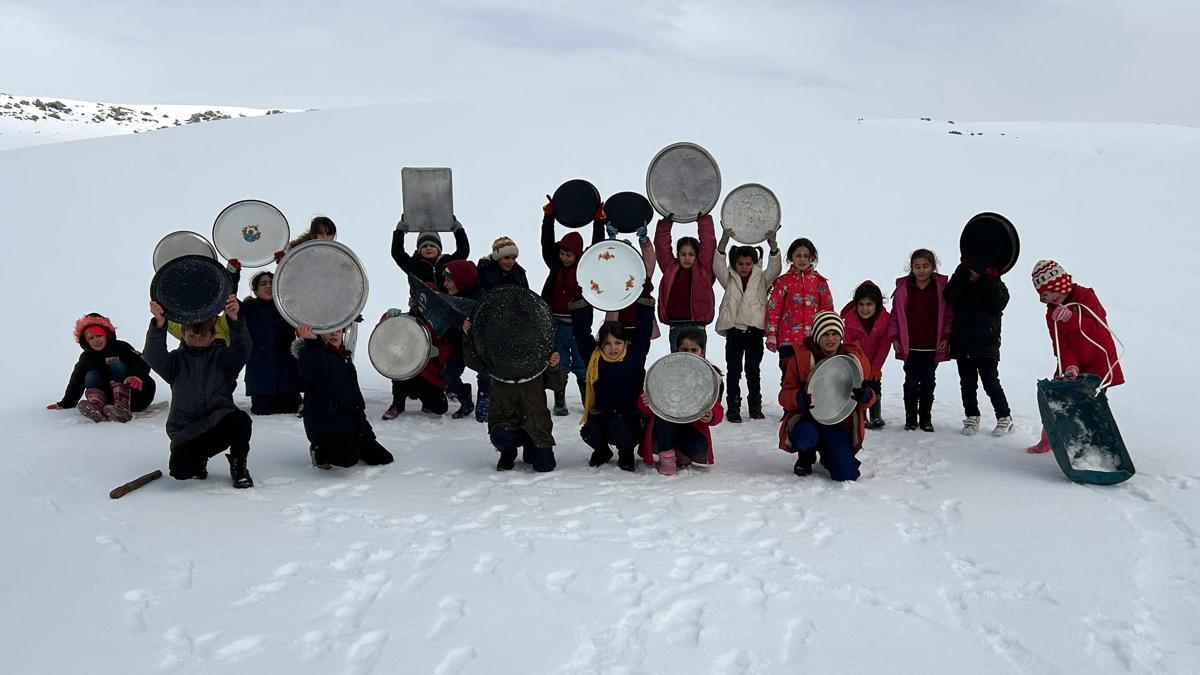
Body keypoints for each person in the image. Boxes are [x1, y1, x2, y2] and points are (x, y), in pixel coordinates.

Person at [143, 296, 254, 488]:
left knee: (241, 421)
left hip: (218, 421)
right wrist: (159, 323)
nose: (197, 339)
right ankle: (199, 459)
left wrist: (234, 319)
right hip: (186, 430)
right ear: (184, 334)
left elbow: (243, 349)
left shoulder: (225, 359)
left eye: (202, 335)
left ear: (213, 335)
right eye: (192, 335)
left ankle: (239, 466)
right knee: (180, 472)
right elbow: (154, 356)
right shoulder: (175, 362)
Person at [1026, 260, 1124, 453]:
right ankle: (1049, 440)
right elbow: (1061, 345)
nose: (1043, 300)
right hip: (1074, 364)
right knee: (1055, 400)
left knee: (1092, 405)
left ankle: (1098, 447)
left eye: (1045, 294)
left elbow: (1099, 332)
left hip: (1098, 362)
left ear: (1057, 286)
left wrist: (1071, 318)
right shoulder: (1052, 313)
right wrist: (1070, 366)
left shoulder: (1086, 298)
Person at [778, 311, 876, 481]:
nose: (830, 339)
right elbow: (784, 395)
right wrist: (799, 398)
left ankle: (828, 452)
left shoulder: (853, 360)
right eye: (825, 334)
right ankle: (806, 455)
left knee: (847, 475)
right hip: (807, 419)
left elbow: (870, 395)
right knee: (807, 435)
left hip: (836, 422)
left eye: (835, 334)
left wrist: (865, 396)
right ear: (816, 336)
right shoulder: (800, 359)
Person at [464, 317, 566, 471]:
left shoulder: (539, 355)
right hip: (506, 421)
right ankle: (508, 451)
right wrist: (468, 334)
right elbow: (472, 360)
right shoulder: (495, 358)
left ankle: (530, 447)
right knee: (501, 435)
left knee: (545, 466)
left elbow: (558, 384)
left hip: (535, 423)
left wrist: (554, 367)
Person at [294, 323, 394, 469]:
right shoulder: (310, 354)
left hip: (350, 425)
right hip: (326, 427)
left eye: (338, 330)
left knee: (383, 458)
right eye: (329, 330)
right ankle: (319, 451)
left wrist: (365, 432)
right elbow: (316, 372)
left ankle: (350, 444)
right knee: (348, 459)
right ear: (319, 333)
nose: (334, 334)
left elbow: (355, 399)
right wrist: (312, 342)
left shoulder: (345, 358)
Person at [573, 297, 655, 471]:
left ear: (626, 343)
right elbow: (581, 334)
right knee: (589, 432)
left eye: (618, 342)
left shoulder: (635, 357)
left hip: (629, 417)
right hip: (602, 414)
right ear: (600, 345)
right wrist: (581, 304)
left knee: (622, 429)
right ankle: (603, 451)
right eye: (607, 344)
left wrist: (644, 301)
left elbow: (644, 330)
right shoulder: (594, 358)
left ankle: (626, 453)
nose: (613, 348)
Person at [541, 195, 605, 416]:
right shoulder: (555, 267)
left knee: (581, 364)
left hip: (579, 326)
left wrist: (599, 221)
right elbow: (546, 242)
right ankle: (559, 400)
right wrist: (548, 217)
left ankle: (587, 399)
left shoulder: (585, 270)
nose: (564, 257)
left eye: (568, 254)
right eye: (562, 253)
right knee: (559, 363)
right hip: (556, 324)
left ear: (577, 255)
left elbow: (597, 247)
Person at [714, 225, 782, 422]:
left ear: (754, 263)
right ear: (734, 264)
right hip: (735, 331)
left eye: (747, 263)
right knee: (734, 370)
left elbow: (775, 269)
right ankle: (733, 407)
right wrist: (724, 240)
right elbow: (717, 265)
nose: (744, 267)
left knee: (753, 370)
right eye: (740, 263)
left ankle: (755, 406)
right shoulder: (729, 278)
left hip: (753, 333)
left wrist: (773, 245)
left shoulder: (762, 279)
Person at [638, 327, 724, 475]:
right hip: (664, 427)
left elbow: (717, 408)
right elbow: (647, 404)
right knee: (664, 417)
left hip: (692, 426)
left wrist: (712, 416)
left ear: (702, 352)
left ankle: (680, 453)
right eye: (684, 349)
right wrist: (646, 402)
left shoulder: (711, 377)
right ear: (676, 350)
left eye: (694, 350)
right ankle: (667, 456)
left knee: (696, 447)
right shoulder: (663, 371)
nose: (689, 354)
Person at [943, 259, 1013, 436]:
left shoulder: (995, 285)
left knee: (990, 382)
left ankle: (1005, 417)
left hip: (986, 344)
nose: (974, 272)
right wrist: (962, 270)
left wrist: (988, 280)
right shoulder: (962, 283)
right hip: (963, 343)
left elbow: (998, 303)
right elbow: (949, 295)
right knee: (967, 384)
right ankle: (972, 416)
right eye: (972, 269)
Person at [887, 249, 953, 432]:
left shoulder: (940, 289)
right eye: (917, 267)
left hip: (932, 346)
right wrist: (894, 337)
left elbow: (949, 315)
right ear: (911, 268)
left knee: (928, 382)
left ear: (933, 267)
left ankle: (925, 418)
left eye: (925, 266)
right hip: (910, 346)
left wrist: (946, 337)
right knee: (910, 382)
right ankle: (910, 418)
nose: (921, 270)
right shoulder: (904, 288)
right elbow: (894, 316)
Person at [49, 313, 156, 422]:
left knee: (116, 364)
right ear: (86, 341)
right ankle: (97, 407)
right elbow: (77, 380)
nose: (96, 340)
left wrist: (136, 376)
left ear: (106, 335)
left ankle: (122, 407)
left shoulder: (121, 347)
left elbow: (143, 362)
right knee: (91, 375)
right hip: (109, 403)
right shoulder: (86, 358)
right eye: (91, 338)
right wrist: (66, 403)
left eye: (99, 335)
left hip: (136, 395)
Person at [764, 237, 833, 378]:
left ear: (812, 258)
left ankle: (810, 401)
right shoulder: (783, 282)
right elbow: (774, 308)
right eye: (798, 255)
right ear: (791, 257)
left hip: (813, 340)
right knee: (789, 376)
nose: (802, 259)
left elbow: (827, 310)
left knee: (813, 376)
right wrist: (771, 333)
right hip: (787, 340)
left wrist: (829, 334)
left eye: (806, 256)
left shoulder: (819, 282)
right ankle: (789, 400)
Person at [239, 271, 302, 415]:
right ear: (255, 290)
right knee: (263, 412)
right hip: (261, 381)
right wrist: (233, 274)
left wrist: (287, 265)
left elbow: (309, 298)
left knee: (289, 410)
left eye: (272, 283)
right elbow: (228, 297)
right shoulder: (248, 308)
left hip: (288, 380)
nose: (269, 286)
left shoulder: (288, 309)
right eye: (263, 283)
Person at [655, 213, 717, 350]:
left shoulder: (704, 270)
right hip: (676, 324)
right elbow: (661, 248)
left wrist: (703, 220)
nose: (687, 258)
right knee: (677, 362)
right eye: (683, 254)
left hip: (697, 324)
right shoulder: (670, 268)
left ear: (697, 255)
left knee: (697, 363)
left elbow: (709, 245)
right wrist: (666, 224)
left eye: (691, 254)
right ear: (678, 255)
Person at [379, 305, 451, 417]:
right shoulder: (406, 319)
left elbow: (447, 348)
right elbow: (384, 332)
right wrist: (387, 317)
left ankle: (424, 398)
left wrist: (438, 351)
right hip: (406, 370)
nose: (412, 300)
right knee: (398, 371)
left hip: (428, 374)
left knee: (440, 407)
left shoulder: (437, 322)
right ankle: (398, 403)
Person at [840, 281, 890, 429]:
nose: (864, 308)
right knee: (858, 386)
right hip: (857, 362)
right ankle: (860, 413)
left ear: (877, 304)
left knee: (874, 385)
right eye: (861, 304)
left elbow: (884, 347)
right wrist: (856, 365)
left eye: (869, 304)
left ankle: (876, 414)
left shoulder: (885, 321)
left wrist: (876, 367)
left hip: (874, 361)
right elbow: (849, 345)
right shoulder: (850, 320)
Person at [441, 259, 482, 419]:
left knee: (484, 376)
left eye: (449, 280)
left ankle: (484, 402)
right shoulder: (449, 297)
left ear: (461, 280)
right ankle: (465, 398)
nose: (445, 284)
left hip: (477, 348)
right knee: (449, 376)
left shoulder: (480, 297)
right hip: (458, 346)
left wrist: (472, 322)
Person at [391, 215, 470, 293]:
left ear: (438, 249)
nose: (428, 248)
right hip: (425, 301)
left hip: (448, 300)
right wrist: (399, 231)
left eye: (432, 246)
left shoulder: (448, 262)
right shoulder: (414, 264)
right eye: (424, 246)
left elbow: (463, 251)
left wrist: (458, 231)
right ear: (419, 250)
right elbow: (397, 253)